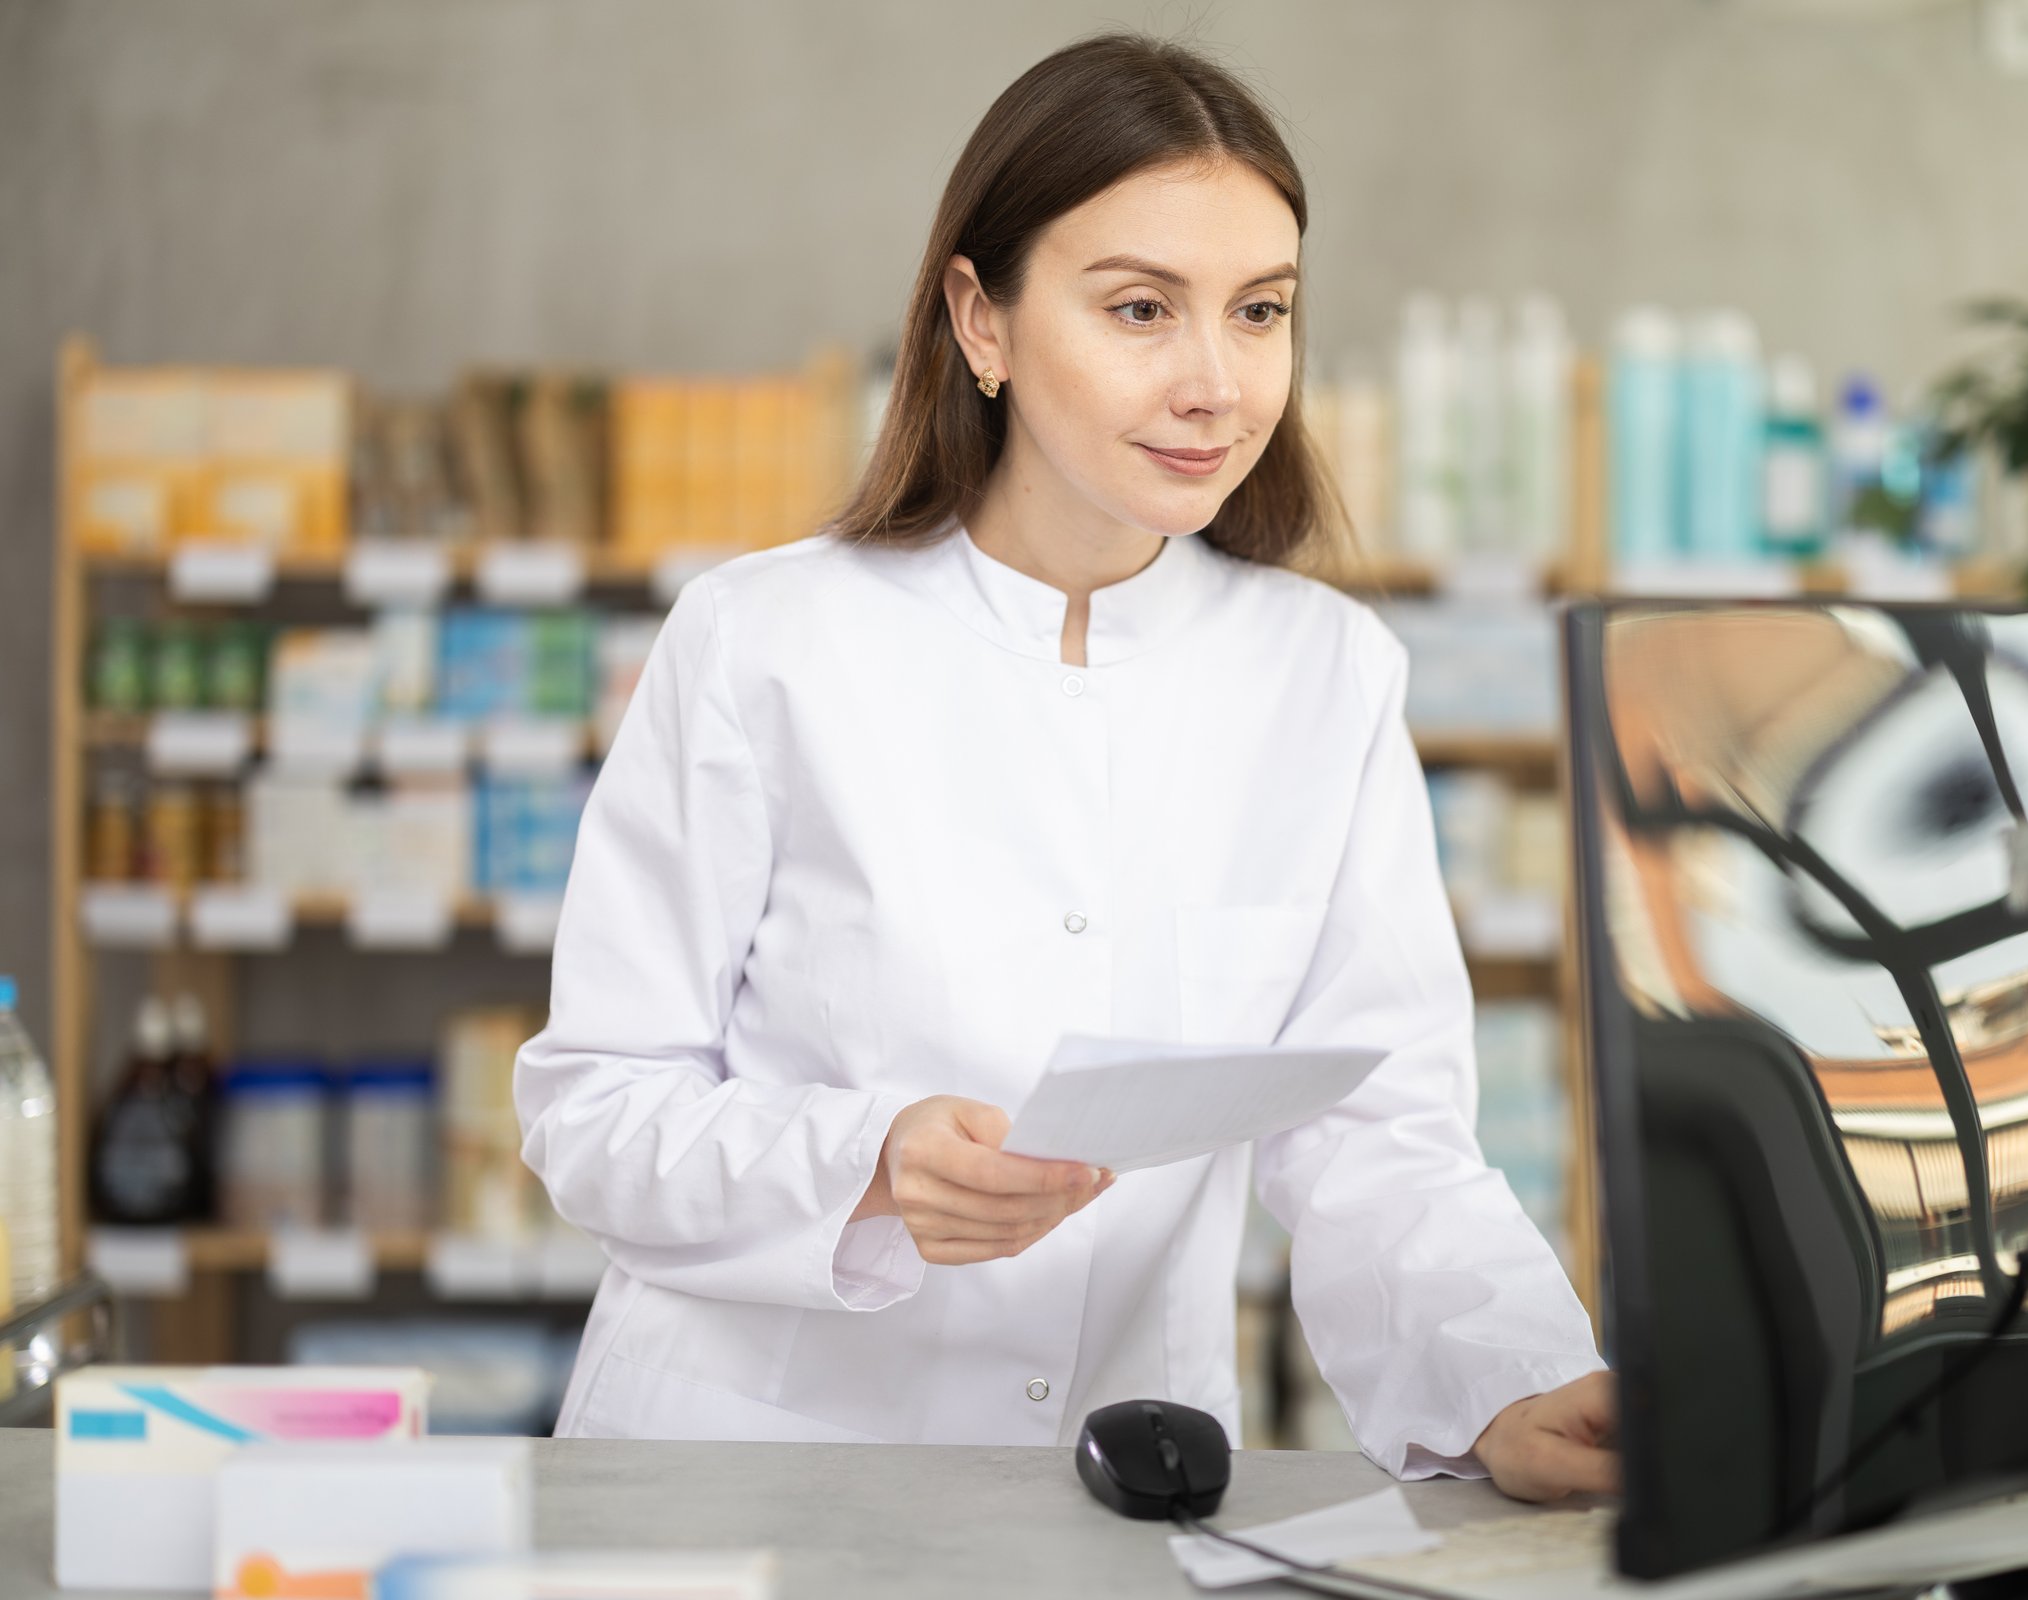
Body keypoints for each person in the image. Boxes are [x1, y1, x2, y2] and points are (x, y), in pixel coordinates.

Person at [515, 30, 1615, 1501]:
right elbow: (595, 1110)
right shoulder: (766, 642)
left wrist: (1511, 1381)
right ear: (982, 320)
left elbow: (1379, 1130)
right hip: (743, 1490)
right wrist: (870, 1159)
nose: (1216, 383)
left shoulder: (1325, 674)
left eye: (1262, 311)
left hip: (1113, 1494)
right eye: (1141, 309)